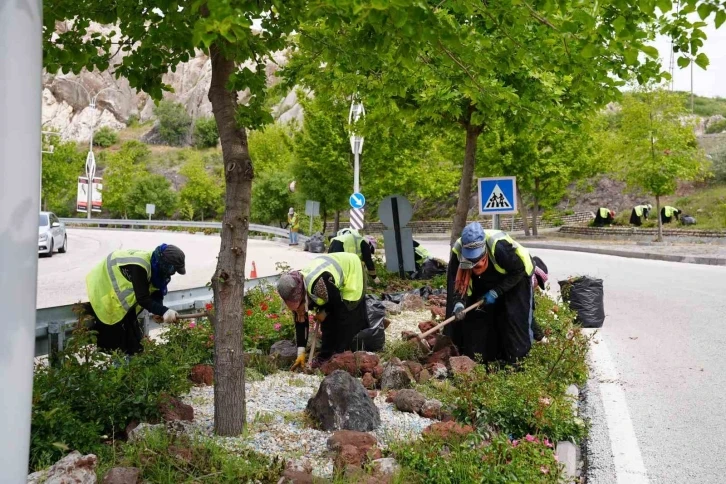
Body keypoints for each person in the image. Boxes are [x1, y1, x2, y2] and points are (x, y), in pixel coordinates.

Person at [444, 223, 535, 364]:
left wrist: (495, 292)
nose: (474, 264)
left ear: (484, 248)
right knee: (476, 317)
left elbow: (518, 271)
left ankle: (517, 363)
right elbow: (457, 284)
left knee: (514, 317)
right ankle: (485, 360)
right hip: (486, 277)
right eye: (471, 261)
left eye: (477, 260)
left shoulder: (499, 247)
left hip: (517, 275)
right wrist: (459, 303)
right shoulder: (458, 252)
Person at [85, 244, 186, 355]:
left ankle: (128, 367)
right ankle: (118, 367)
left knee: (134, 344)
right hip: (104, 288)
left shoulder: (156, 267)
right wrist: (164, 311)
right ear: (164, 263)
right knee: (118, 345)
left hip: (120, 300)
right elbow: (142, 298)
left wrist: (158, 310)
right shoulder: (140, 266)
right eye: (172, 269)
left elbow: (156, 291)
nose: (172, 273)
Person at [277, 252, 369, 367]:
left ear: (303, 296)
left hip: (351, 268)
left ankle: (340, 356)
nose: (298, 310)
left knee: (345, 314)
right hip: (328, 285)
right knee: (327, 322)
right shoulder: (295, 288)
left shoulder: (319, 284)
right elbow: (300, 321)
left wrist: (325, 312)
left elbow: (338, 305)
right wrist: (301, 353)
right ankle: (326, 356)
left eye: (298, 306)